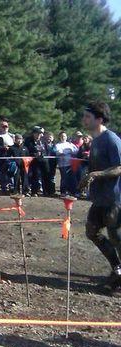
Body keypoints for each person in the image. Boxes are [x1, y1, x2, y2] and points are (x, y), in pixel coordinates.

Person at [78, 101, 121, 293]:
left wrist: (96, 175)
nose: (84, 119)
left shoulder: (111, 139)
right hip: (100, 198)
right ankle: (117, 268)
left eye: (88, 116)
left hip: (115, 198)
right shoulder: (95, 140)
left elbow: (119, 167)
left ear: (100, 119)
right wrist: (87, 177)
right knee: (92, 231)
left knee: (116, 237)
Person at [25, 126, 52, 197]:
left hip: (44, 160)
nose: (40, 135)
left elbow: (47, 150)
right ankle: (34, 191)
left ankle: (47, 191)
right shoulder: (28, 140)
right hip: (34, 161)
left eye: (41, 133)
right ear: (34, 133)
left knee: (46, 175)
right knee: (35, 176)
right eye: (38, 133)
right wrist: (34, 154)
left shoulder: (43, 140)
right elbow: (26, 150)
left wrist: (43, 154)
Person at [55, 131, 79, 196]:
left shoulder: (70, 144)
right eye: (62, 136)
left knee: (72, 178)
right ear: (59, 137)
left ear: (66, 137)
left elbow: (76, 151)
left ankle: (72, 191)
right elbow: (59, 152)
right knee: (64, 178)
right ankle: (63, 192)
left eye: (64, 136)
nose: (63, 137)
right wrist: (68, 151)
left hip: (71, 164)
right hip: (63, 165)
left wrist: (68, 151)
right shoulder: (58, 145)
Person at [0, 120, 15, 193]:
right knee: (2, 172)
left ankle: (11, 186)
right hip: (1, 157)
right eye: (3, 126)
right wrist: (4, 148)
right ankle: (4, 187)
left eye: (6, 126)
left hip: (11, 156)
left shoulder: (11, 135)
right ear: (0, 127)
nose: (5, 128)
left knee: (11, 171)